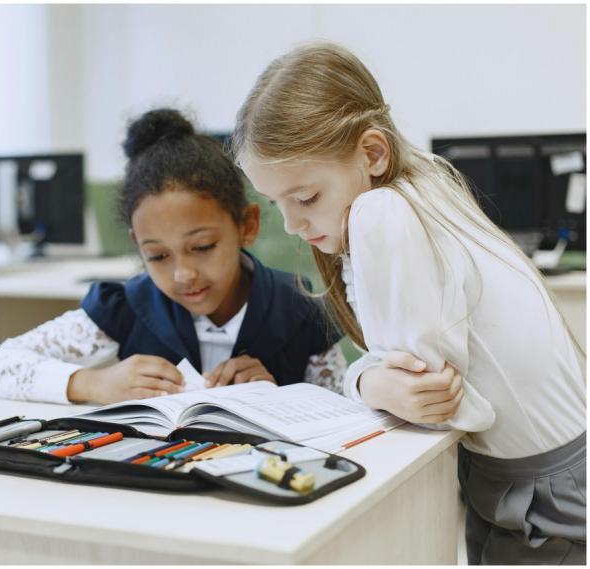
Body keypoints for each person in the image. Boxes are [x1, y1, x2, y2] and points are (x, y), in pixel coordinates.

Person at [232, 41, 586, 565]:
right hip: (537, 479)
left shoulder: (382, 213)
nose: (292, 225)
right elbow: (402, 375)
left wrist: (365, 380)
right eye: (274, 202)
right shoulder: (426, 183)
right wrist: (370, 378)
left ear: (372, 154)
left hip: (545, 499)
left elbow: (429, 398)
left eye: (305, 198)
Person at [0, 108, 450, 407]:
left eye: (202, 247)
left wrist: (279, 396)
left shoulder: (300, 308)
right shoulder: (123, 307)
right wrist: (92, 384)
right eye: (157, 256)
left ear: (246, 225)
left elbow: (341, 408)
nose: (183, 274)